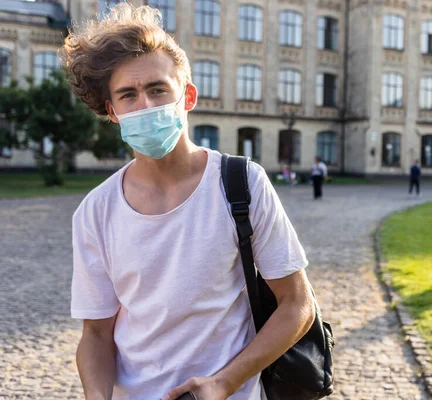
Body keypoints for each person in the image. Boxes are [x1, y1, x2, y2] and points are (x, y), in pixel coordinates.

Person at [61, 5, 315, 400]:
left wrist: (223, 382)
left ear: (188, 96)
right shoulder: (96, 212)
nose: (145, 106)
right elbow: (96, 334)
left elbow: (297, 304)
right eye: (128, 95)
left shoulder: (242, 184)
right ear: (112, 112)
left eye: (158, 89)